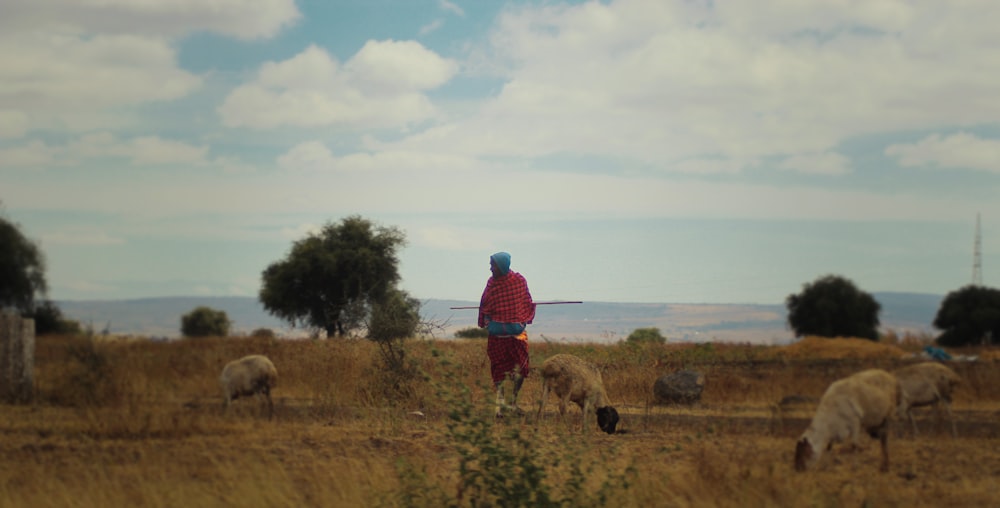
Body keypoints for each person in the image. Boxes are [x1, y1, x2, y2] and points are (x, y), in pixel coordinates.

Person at [478, 251, 536, 418]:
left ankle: (512, 403)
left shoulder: (519, 281)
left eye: (493, 264)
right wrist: (489, 319)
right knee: (499, 370)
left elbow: (525, 302)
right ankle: (501, 405)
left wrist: (518, 319)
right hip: (497, 338)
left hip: (517, 336)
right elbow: (485, 305)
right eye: (491, 264)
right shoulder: (491, 284)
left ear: (502, 265)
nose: (490, 268)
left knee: (521, 368)